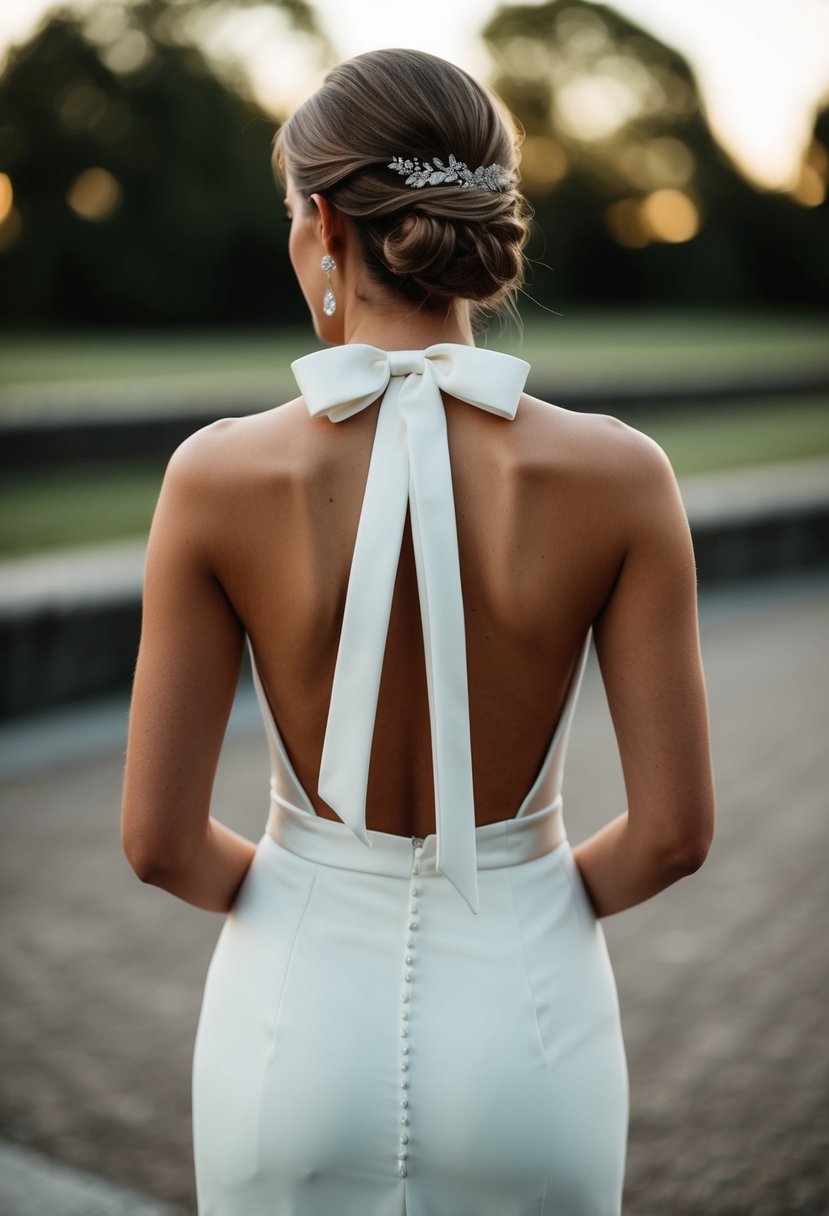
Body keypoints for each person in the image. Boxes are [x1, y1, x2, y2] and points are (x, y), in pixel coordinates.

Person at [121, 47, 714, 1216]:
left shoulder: (214, 475)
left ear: (322, 226)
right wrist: (521, 906)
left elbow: (160, 843)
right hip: (529, 1023)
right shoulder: (621, 475)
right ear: (488, 220)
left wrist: (314, 895)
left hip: (289, 1023)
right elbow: (673, 835)